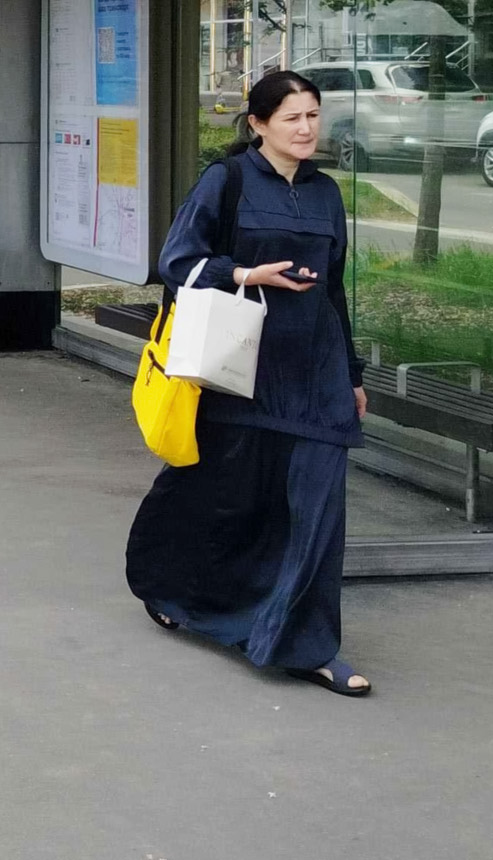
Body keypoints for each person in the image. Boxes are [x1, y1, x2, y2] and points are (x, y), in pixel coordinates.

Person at [123, 68, 372, 696]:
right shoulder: (227, 179)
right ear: (258, 123)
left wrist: (351, 374)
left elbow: (335, 289)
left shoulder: (326, 193)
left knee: (318, 507)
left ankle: (308, 647)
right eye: (292, 118)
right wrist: (244, 274)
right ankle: (176, 589)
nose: (306, 128)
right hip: (239, 368)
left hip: (315, 373)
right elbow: (178, 262)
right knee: (224, 497)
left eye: (313, 115)